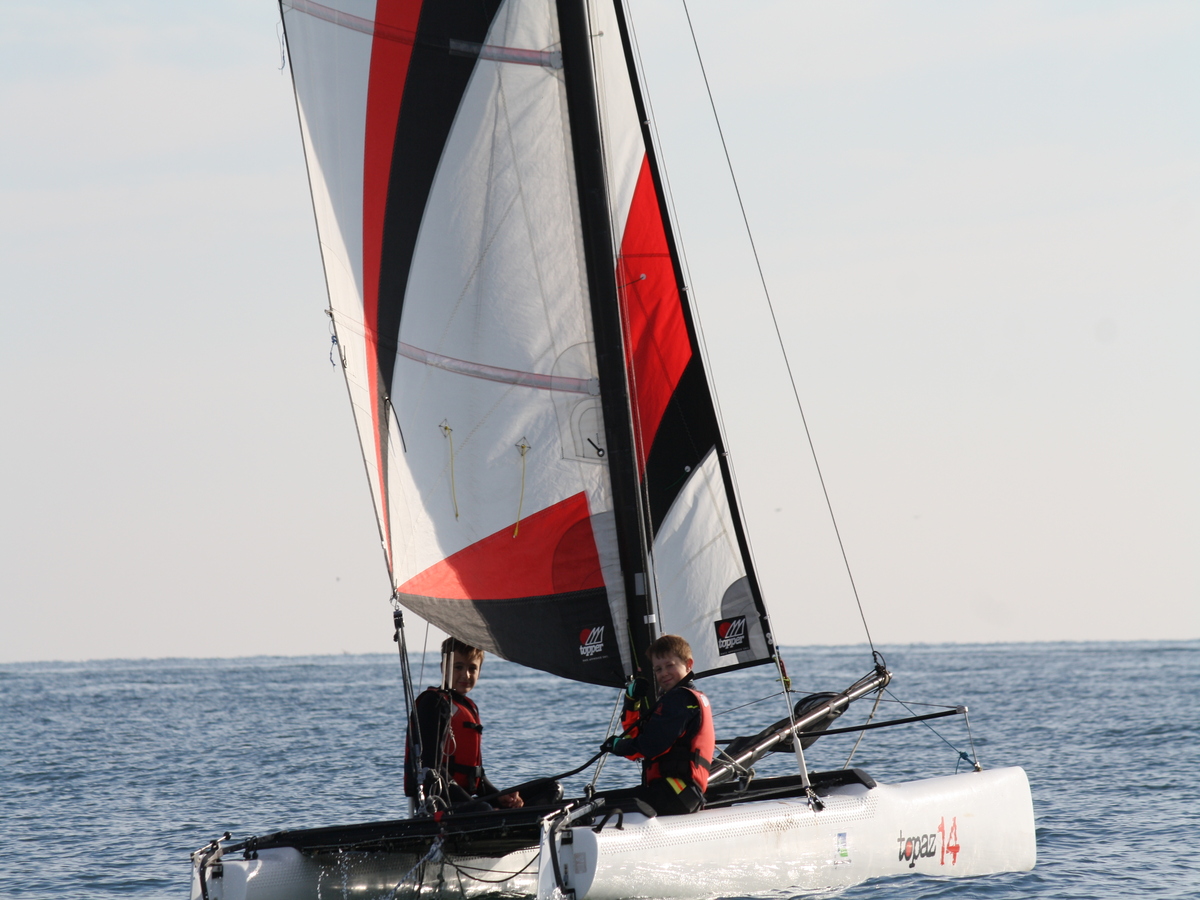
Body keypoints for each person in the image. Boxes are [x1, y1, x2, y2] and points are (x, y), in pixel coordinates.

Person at [403, 637, 524, 811]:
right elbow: (432, 768)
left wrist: (501, 798)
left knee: (552, 788)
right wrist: (480, 805)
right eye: (458, 667)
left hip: (467, 801)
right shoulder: (433, 703)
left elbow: (476, 777)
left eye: (472, 668)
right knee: (484, 810)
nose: (466, 675)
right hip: (437, 803)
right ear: (443, 667)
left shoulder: (469, 707)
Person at [601, 634, 715, 815]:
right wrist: (632, 701)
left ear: (689, 664)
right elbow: (637, 737)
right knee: (599, 804)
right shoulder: (678, 699)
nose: (664, 673)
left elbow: (651, 746)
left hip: (675, 795)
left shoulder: (681, 699)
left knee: (595, 807)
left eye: (670, 665)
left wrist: (618, 745)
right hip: (676, 795)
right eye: (658, 669)